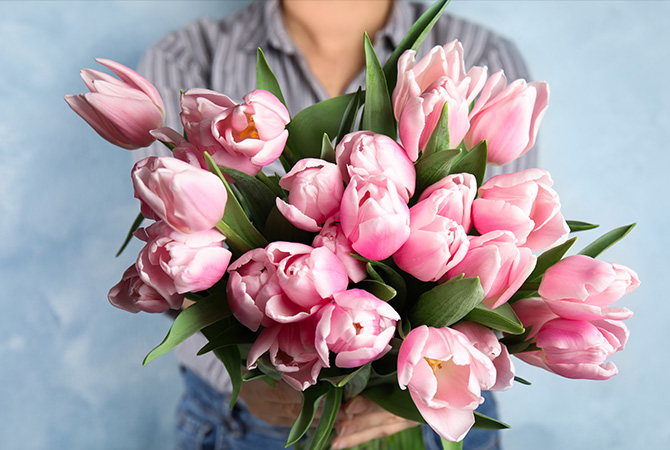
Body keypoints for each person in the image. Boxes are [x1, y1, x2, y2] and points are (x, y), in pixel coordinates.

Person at [137, 1, 537, 449]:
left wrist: (406, 395)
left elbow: (506, 248)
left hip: (431, 409)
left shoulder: (485, 52)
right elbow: (171, 259)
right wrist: (246, 379)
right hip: (252, 418)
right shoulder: (189, 57)